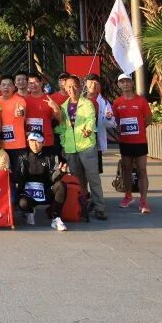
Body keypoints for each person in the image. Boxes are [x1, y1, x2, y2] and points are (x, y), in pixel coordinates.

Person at [55, 75, 107, 220]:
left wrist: (89, 130)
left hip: (86, 146)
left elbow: (90, 119)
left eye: (74, 86)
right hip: (71, 148)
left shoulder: (87, 103)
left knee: (93, 178)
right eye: (68, 86)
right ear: (64, 88)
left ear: (79, 87)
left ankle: (99, 208)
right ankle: (82, 204)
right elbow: (62, 127)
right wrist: (63, 142)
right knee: (78, 180)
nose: (71, 89)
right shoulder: (63, 106)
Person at [113, 72, 152, 214]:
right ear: (119, 85)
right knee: (127, 169)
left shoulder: (141, 101)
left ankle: (143, 201)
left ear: (132, 83)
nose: (125, 84)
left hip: (140, 141)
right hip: (125, 142)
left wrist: (139, 130)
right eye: (122, 82)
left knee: (142, 169)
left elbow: (148, 119)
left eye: (128, 81)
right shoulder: (117, 102)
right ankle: (128, 196)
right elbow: (115, 121)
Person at [14, 132, 69, 230]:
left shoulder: (50, 156)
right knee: (23, 203)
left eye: (38, 142)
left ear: (43, 143)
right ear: (28, 142)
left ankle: (56, 217)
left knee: (61, 185)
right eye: (32, 141)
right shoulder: (22, 156)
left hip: (45, 191)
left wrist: (61, 172)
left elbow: (53, 178)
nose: (35, 145)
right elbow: (18, 178)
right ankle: (29, 211)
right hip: (28, 193)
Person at [84, 73, 116, 174]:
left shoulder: (104, 102)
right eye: (90, 82)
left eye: (95, 83)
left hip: (95, 141)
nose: (93, 85)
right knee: (81, 172)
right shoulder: (79, 100)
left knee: (95, 172)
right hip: (81, 140)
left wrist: (108, 118)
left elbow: (111, 124)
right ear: (85, 83)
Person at [0, 76, 28, 166]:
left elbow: (22, 110)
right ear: (0, 87)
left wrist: (20, 112)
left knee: (18, 173)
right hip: (1, 145)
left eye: (9, 85)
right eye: (3, 85)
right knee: (3, 172)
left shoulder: (20, 100)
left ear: (14, 87)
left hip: (18, 145)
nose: (6, 87)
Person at [25, 76, 62, 147]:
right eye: (31, 83)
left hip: (46, 140)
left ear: (41, 83)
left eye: (36, 82)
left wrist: (55, 107)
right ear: (28, 85)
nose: (33, 85)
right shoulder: (24, 100)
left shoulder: (49, 99)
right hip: (31, 142)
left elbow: (59, 119)